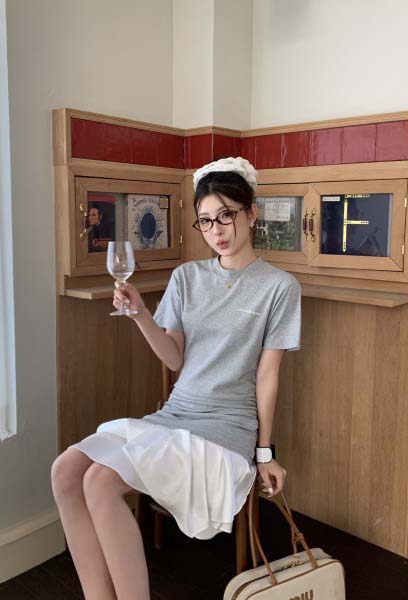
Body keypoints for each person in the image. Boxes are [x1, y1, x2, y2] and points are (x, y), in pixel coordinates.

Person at [50, 156, 301, 600]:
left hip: (225, 428)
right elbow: (174, 358)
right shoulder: (186, 277)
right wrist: (140, 314)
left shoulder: (279, 287)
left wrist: (265, 453)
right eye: (206, 221)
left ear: (251, 213)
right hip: (176, 415)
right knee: (66, 470)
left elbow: (268, 377)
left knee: (100, 481)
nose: (217, 230)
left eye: (227, 215)